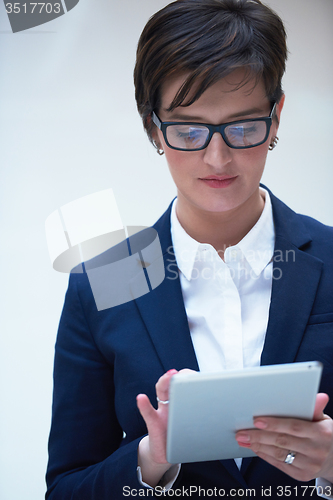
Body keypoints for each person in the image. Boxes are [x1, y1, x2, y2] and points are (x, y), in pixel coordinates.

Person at [45, 1, 333, 499]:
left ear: (277, 115)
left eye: (243, 127)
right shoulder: (102, 283)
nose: (217, 157)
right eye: (188, 130)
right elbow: (66, 488)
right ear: (154, 127)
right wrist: (150, 460)